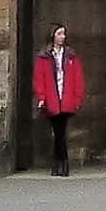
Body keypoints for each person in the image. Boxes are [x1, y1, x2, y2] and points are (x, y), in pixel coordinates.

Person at [30, 25, 86, 175]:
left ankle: (60, 164)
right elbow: (39, 78)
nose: (63, 37)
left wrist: (77, 98)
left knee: (60, 132)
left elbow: (77, 78)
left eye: (64, 34)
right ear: (53, 36)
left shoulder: (71, 56)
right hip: (52, 98)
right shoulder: (44, 56)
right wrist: (41, 97)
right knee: (58, 132)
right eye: (60, 34)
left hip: (66, 98)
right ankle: (61, 163)